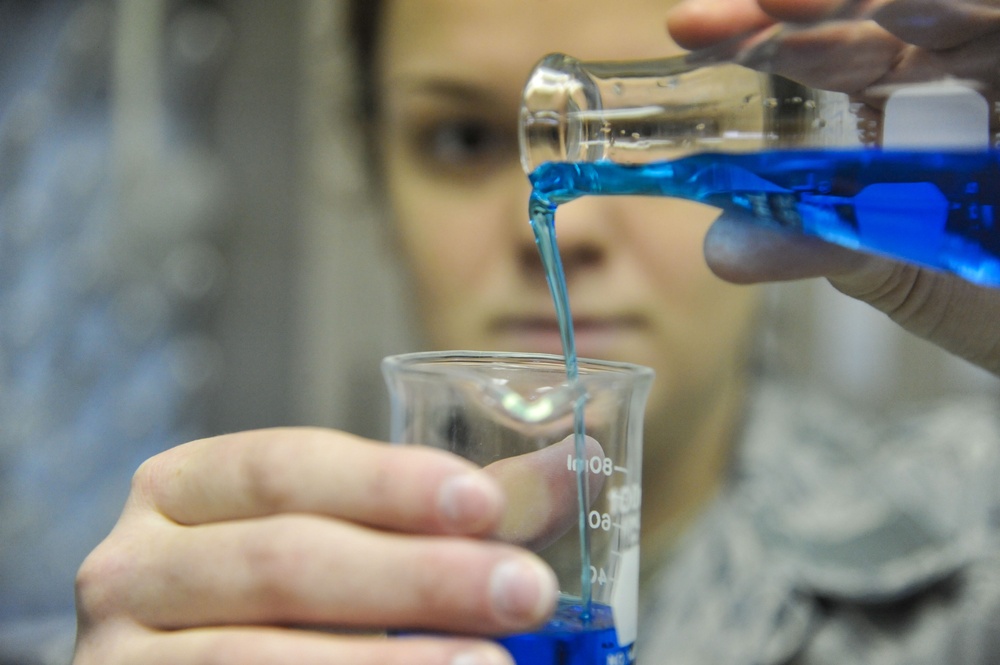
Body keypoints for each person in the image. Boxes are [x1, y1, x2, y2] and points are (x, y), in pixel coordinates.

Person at [71, 1, 1000, 664]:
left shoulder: (977, 559)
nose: (563, 230)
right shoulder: (243, 614)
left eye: (653, 132)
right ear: (374, 171)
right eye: (462, 139)